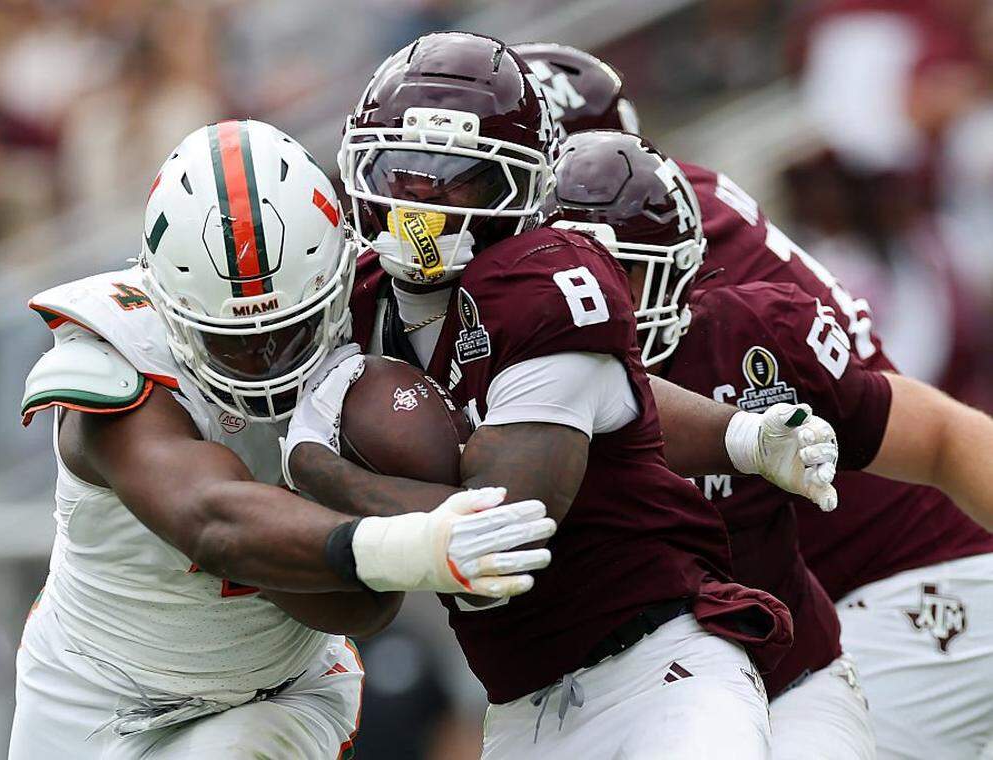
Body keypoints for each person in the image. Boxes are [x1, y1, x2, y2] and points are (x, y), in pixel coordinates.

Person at [284, 31, 840, 759]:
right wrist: (737, 435)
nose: (423, 204)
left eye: (458, 177)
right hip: (521, 705)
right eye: (402, 171)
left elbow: (507, 531)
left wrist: (314, 465)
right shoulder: (358, 297)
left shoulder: (546, 283)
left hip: (659, 669)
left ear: (520, 188)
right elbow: (623, 396)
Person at [8, 118, 555, 759]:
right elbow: (211, 520)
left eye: (291, 330)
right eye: (234, 343)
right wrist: (412, 542)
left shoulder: (366, 333)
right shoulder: (119, 358)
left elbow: (364, 611)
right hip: (91, 697)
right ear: (168, 309)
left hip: (279, 695)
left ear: (336, 282)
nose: (269, 362)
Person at [523, 41, 993, 759]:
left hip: (893, 593)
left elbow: (930, 431)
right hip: (848, 603)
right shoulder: (661, 217)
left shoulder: (636, 254)